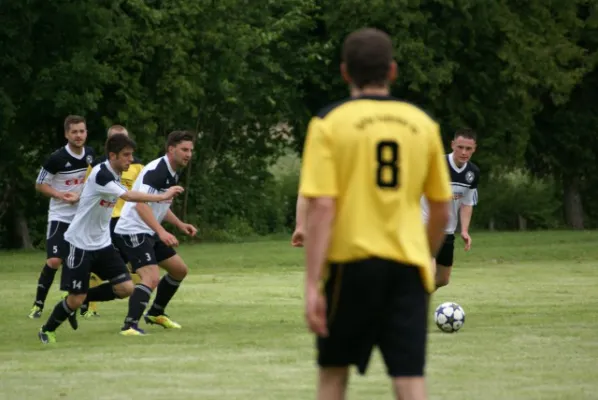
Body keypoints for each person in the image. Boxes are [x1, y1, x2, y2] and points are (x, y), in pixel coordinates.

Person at [297, 28, 452, 400]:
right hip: (407, 267)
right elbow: (442, 209)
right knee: (410, 379)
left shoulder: (328, 123)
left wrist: (312, 284)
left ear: (345, 72)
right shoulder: (423, 124)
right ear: (393, 71)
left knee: (333, 375)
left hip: (351, 266)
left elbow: (321, 206)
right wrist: (426, 258)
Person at [37, 134, 184, 344]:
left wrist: (80, 197)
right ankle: (47, 329)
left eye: (131, 155)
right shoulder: (103, 174)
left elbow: (94, 191)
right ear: (112, 155)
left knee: (126, 288)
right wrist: (162, 196)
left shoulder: (113, 173)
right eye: (126, 155)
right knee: (75, 299)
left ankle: (80, 300)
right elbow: (129, 196)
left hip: (103, 243)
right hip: (79, 244)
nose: (130, 160)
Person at [112, 131, 197, 336]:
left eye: (191, 150)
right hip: (132, 230)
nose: (188, 154)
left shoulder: (173, 171)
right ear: (171, 149)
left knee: (179, 270)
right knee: (150, 277)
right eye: (184, 150)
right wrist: (161, 231)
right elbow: (140, 205)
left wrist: (178, 224)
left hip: (148, 230)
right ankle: (130, 326)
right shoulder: (157, 171)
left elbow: (159, 204)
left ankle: (156, 313)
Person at [29, 115, 95, 319]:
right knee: (55, 260)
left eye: (82, 131)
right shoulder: (56, 158)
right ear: (67, 134)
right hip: (60, 216)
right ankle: (38, 304)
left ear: (86, 133)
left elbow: (93, 182)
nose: (78, 135)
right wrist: (61, 196)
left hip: (82, 217)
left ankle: (80, 306)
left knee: (82, 261)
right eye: (74, 132)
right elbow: (39, 184)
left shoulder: (91, 155)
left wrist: (83, 197)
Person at [82, 125, 145, 317]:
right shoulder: (99, 168)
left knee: (135, 264)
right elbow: (88, 190)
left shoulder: (137, 165)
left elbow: (142, 192)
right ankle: (88, 307)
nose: (128, 157)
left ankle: (132, 308)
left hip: (128, 221)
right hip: (108, 221)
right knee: (102, 265)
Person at [421, 128, 479, 289]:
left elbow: (467, 203)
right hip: (424, 223)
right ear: (452, 145)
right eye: (460, 147)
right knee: (429, 270)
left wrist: (465, 230)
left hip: (447, 230)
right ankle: (410, 309)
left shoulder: (472, 173)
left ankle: (409, 299)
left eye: (468, 148)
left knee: (442, 279)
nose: (464, 152)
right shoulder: (436, 164)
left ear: (474, 149)